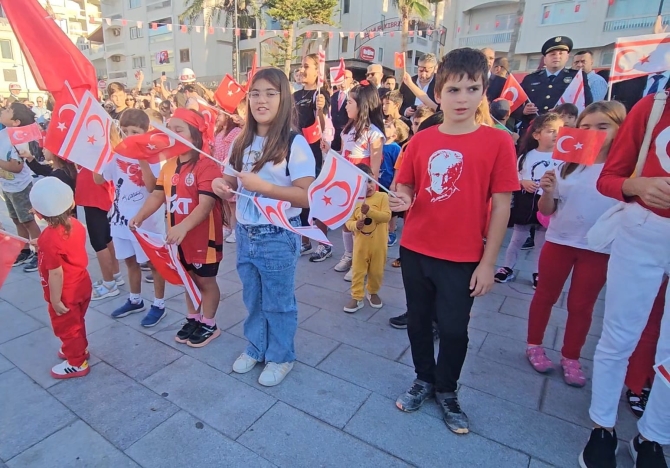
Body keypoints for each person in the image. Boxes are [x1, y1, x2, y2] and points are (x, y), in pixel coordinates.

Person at [390, 48, 519, 434]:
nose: (461, 98)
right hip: (415, 248)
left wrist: (488, 262)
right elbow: (404, 184)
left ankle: (447, 390)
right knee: (417, 322)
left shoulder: (498, 143)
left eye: (471, 88)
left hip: (463, 256)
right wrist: (402, 198)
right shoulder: (422, 139)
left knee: (453, 329)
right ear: (439, 92)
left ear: (483, 92)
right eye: (452, 89)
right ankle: (423, 379)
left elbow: (501, 207)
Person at [579, 93, 670, 468]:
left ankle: (654, 436)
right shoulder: (653, 107)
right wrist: (637, 186)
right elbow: (611, 177)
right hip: (643, 232)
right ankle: (602, 426)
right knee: (619, 334)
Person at [213, 68, 316, 387]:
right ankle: (256, 347)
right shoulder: (241, 140)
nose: (262, 100)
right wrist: (221, 184)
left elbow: (306, 196)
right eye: (255, 93)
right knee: (253, 298)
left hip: (277, 234)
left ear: (283, 98)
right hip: (245, 233)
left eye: (271, 93)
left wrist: (265, 187)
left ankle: (281, 356)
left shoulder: (294, 143)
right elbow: (229, 179)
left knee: (279, 301)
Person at [526, 101, 625, 388]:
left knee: (582, 305)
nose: (593, 132)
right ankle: (534, 344)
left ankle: (571, 356)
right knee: (545, 295)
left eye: (603, 126)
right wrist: (547, 191)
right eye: (585, 127)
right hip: (559, 241)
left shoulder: (624, 169)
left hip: (599, 248)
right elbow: (546, 210)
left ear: (620, 130)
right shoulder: (564, 165)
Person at [130, 108, 223, 348]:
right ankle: (193, 318)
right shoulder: (168, 165)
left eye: (178, 130)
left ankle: (209, 323)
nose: (172, 134)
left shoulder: (206, 165)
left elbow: (206, 205)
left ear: (194, 134)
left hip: (204, 240)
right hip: (178, 240)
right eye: (169, 130)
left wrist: (183, 226)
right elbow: (157, 196)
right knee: (188, 280)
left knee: (205, 282)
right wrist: (139, 216)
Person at [97, 109, 168, 328]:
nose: (129, 135)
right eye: (125, 131)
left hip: (146, 218)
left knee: (154, 262)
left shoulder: (154, 155)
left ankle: (159, 303)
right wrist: (97, 155)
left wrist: (143, 160)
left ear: (145, 132)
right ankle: (135, 299)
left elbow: (152, 186)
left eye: (135, 131)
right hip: (120, 217)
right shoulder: (117, 153)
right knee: (129, 260)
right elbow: (99, 179)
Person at [30, 177, 92, 379]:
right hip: (81, 284)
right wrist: (41, 243)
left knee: (67, 327)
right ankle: (79, 349)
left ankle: (76, 362)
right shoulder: (76, 224)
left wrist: (55, 300)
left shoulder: (49, 238)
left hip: (65, 292)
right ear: (71, 203)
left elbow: (55, 272)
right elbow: (63, 246)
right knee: (77, 321)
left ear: (38, 214)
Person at [495, 112, 563, 289]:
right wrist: (522, 182)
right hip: (526, 202)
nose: (556, 134)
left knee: (541, 241)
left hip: (547, 202)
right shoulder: (526, 156)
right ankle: (507, 268)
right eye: (550, 131)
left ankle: (538, 272)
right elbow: (514, 176)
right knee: (517, 238)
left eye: (559, 131)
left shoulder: (562, 158)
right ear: (536, 135)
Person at [334, 82, 386, 280]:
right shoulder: (347, 129)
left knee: (360, 225)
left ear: (362, 105)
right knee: (346, 223)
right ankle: (349, 255)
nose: (346, 106)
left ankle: (359, 261)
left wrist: (371, 192)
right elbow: (342, 154)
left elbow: (374, 168)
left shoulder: (374, 133)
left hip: (361, 187)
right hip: (345, 183)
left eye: (349, 102)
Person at [294, 53, 332, 261]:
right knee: (301, 196)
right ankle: (305, 240)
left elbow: (324, 127)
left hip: (314, 152)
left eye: (307, 66)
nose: (302, 70)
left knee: (316, 197)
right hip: (297, 152)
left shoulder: (321, 94)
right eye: (301, 65)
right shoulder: (295, 95)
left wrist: (320, 111)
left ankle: (324, 243)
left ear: (318, 70)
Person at [513, 36, 592, 133]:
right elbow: (514, 104)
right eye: (552, 54)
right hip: (533, 131)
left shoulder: (577, 77)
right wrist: (523, 111)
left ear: (567, 57)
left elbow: (587, 105)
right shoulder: (530, 79)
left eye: (561, 53)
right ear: (545, 59)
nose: (557, 57)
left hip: (563, 131)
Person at [343, 163, 391, 313]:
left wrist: (370, 211)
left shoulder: (383, 196)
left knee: (377, 272)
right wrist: (356, 225)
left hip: (379, 246)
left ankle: (373, 292)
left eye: (370, 181)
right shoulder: (353, 201)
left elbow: (386, 216)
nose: (368, 186)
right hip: (360, 246)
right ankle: (357, 297)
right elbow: (348, 222)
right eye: (363, 184)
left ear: (374, 179)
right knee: (358, 271)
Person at [0, 103, 42, 271]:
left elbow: (16, 167)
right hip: (7, 186)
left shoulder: (18, 139)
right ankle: (24, 249)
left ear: (16, 121)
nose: (3, 110)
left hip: (20, 187)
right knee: (17, 219)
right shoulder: (3, 133)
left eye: (8, 110)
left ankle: (40, 252)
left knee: (28, 221)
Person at [213, 99, 246, 244]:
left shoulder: (237, 131)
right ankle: (227, 226)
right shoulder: (219, 132)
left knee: (232, 204)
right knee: (224, 202)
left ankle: (235, 229)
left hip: (230, 169)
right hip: (219, 170)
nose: (218, 117)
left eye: (220, 114)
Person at [381, 119, 408, 247]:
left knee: (391, 209)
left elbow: (398, 167)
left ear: (394, 135)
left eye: (389, 126)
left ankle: (391, 231)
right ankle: (382, 229)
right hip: (378, 182)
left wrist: (394, 183)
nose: (385, 124)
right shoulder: (378, 144)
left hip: (389, 183)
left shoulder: (395, 148)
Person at [330, 69, 353, 152]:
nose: (343, 80)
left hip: (346, 133)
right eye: (341, 77)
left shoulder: (353, 96)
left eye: (346, 78)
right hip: (333, 135)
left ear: (351, 80)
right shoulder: (334, 95)